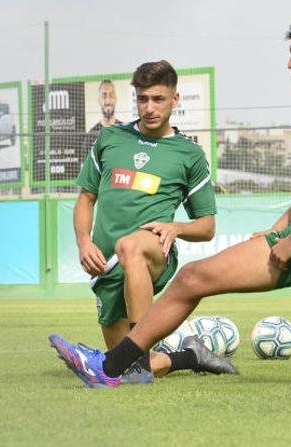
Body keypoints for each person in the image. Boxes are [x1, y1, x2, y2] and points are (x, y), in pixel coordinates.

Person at [63, 9, 291, 386]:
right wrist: (277, 231)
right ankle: (112, 367)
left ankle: (123, 364)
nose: (290, 63)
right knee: (192, 278)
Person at [50, 60, 237, 388]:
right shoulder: (109, 139)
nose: (149, 108)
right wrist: (83, 241)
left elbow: (207, 226)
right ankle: (190, 356)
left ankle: (132, 361)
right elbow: (85, 199)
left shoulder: (189, 154)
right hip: (106, 267)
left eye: (159, 99)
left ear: (175, 100)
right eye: (142, 99)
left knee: (130, 245)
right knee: (128, 369)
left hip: (154, 254)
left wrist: (176, 228)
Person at [81, 79, 124, 159]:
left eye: (111, 95)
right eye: (104, 96)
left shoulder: (124, 131)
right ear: (99, 100)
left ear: (115, 99)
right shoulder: (91, 135)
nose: (107, 101)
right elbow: (86, 167)